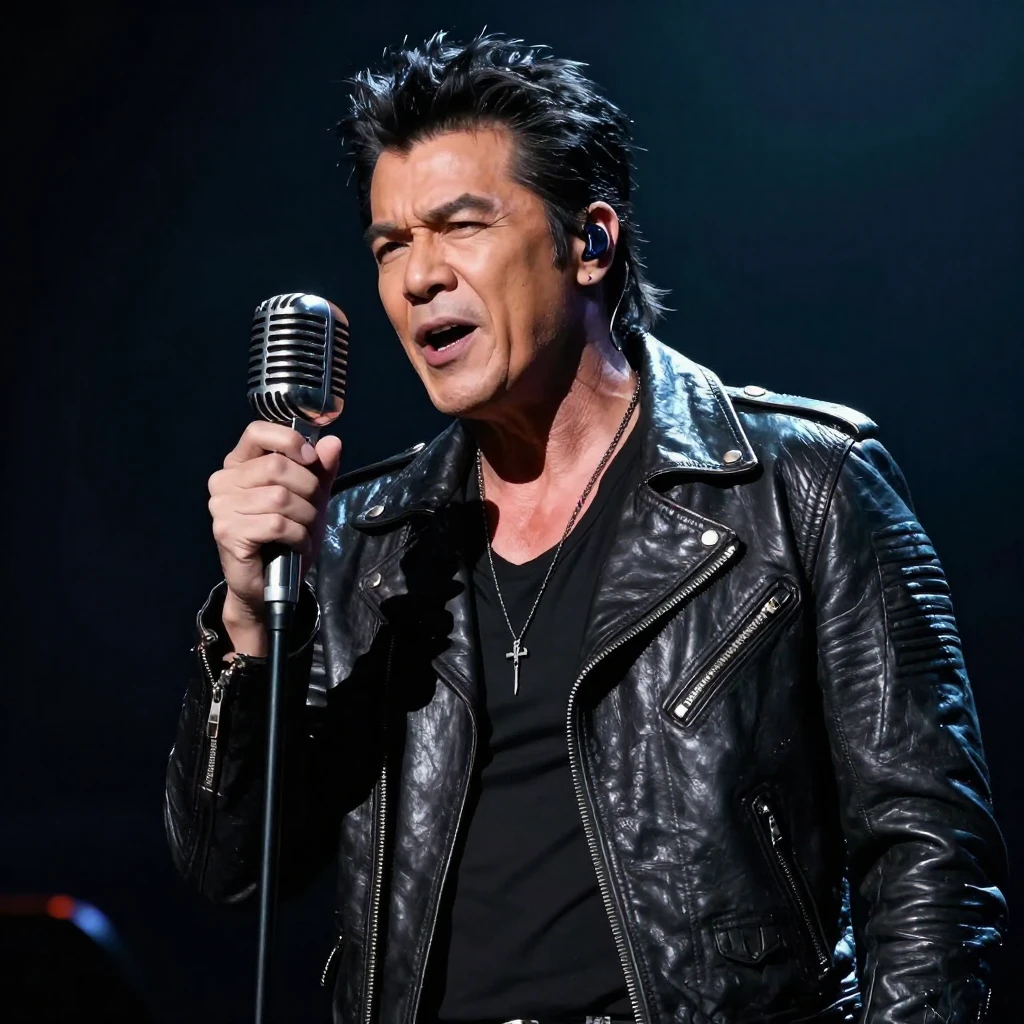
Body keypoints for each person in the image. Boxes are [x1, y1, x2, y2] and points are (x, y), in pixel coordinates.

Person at [165, 31, 1007, 1024]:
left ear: (590, 242)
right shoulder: (361, 542)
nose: (418, 277)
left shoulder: (802, 485)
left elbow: (930, 855)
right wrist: (249, 623)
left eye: (460, 226)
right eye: (390, 246)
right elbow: (231, 868)